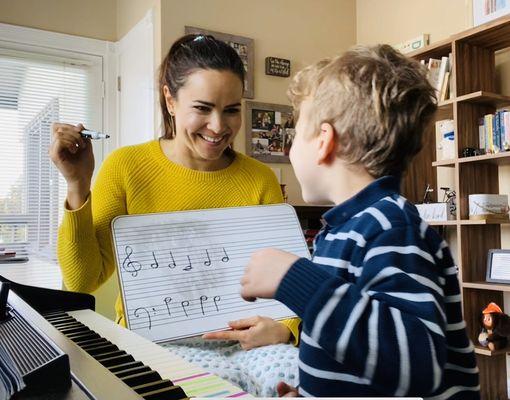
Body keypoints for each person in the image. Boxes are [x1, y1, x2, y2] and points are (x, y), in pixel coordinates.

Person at [240, 45, 480, 398]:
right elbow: (352, 350)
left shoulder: (391, 227)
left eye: (294, 135)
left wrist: (296, 281)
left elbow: (416, 363)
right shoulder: (345, 229)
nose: (290, 150)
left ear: (324, 141)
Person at [49, 34, 300, 352]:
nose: (217, 126)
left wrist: (285, 329)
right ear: (170, 100)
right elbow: (82, 282)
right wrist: (77, 184)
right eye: (202, 108)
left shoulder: (259, 179)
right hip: (149, 346)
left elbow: (286, 280)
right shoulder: (126, 166)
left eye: (232, 110)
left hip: (243, 345)